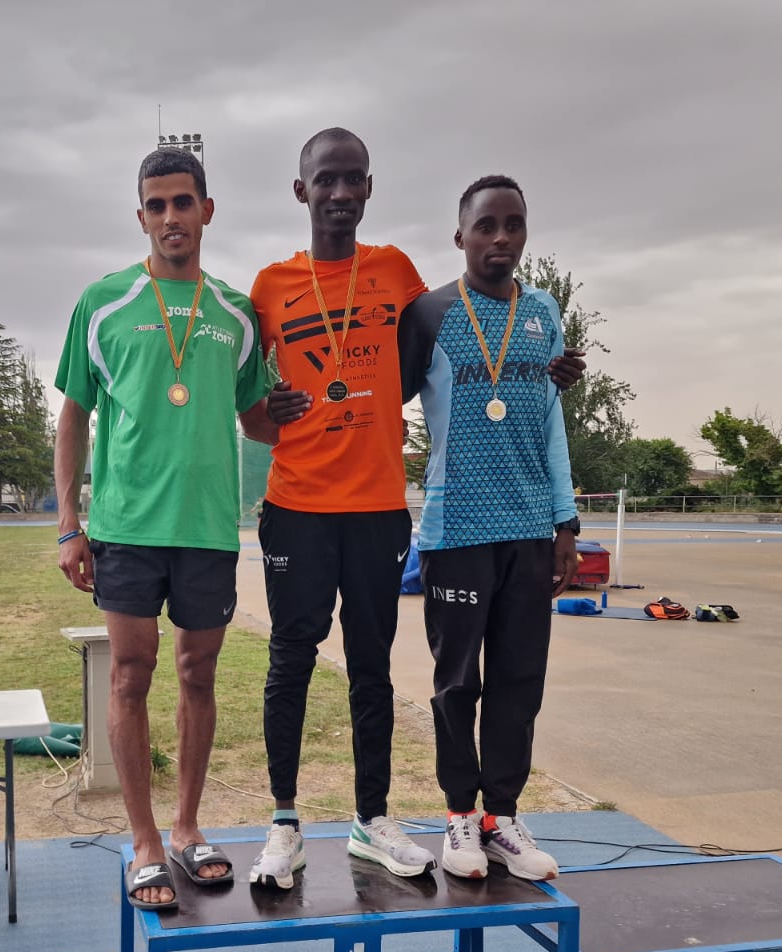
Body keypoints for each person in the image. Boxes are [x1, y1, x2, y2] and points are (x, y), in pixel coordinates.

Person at [54, 146, 277, 910]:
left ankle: (186, 828)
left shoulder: (237, 313)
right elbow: (74, 417)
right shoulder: (104, 303)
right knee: (129, 673)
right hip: (126, 526)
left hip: (210, 528)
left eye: (183, 202)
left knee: (198, 674)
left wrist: (312, 409)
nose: (170, 218)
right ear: (141, 215)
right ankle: (143, 842)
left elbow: (258, 420)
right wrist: (68, 523)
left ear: (207, 210)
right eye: (156, 205)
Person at [244, 128, 434, 888]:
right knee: (290, 660)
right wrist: (271, 410)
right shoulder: (268, 288)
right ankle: (284, 823)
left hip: (378, 506)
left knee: (372, 667)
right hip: (296, 505)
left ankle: (371, 819)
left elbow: (425, 366)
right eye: (327, 180)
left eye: (354, 180)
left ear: (370, 188)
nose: (341, 193)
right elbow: (251, 417)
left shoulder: (396, 274)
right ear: (302, 191)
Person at [397, 174, 587, 881]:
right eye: (486, 226)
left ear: (526, 234)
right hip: (455, 529)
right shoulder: (429, 314)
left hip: (530, 528)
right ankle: (458, 819)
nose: (500, 238)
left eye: (513, 225)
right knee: (456, 685)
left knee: (518, 679)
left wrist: (566, 521)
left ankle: (502, 816)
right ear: (460, 236)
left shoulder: (543, 314)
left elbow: (549, 421)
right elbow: (385, 409)